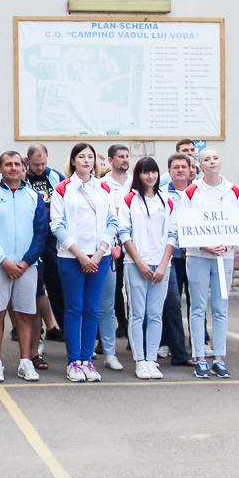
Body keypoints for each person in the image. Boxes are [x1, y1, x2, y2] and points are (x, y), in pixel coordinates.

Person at [0, 151, 47, 382]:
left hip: (27, 266)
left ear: (23, 167)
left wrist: (26, 262)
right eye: (8, 164)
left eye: (17, 164)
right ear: (0, 168)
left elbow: (40, 233)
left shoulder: (34, 196)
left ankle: (25, 362)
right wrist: (4, 261)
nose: (13, 168)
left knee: (25, 315)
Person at [50, 143, 118, 383]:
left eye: (90, 157)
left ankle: (87, 359)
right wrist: (79, 254)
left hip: (99, 257)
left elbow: (113, 221)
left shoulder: (104, 187)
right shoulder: (63, 188)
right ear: (73, 161)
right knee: (74, 308)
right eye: (81, 156)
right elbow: (56, 224)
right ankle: (73, 361)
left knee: (92, 309)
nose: (87, 160)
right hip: (71, 258)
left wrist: (100, 252)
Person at [182, 148, 239, 378]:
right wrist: (203, 245)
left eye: (215, 158)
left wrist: (227, 244)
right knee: (198, 307)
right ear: (200, 165)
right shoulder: (191, 192)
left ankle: (219, 357)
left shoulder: (233, 191)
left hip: (223, 257)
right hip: (198, 256)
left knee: (220, 307)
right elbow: (185, 225)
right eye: (206, 159)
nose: (211, 162)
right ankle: (199, 357)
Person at [120, 157, 178, 380]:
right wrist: (140, 263)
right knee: (137, 314)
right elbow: (124, 233)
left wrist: (163, 264)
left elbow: (172, 234)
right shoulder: (129, 200)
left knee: (155, 314)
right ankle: (140, 360)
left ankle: (152, 359)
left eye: (153, 171)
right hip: (136, 264)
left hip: (161, 265)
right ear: (138, 175)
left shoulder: (167, 200)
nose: (150, 176)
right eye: (145, 172)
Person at [24, 144, 65, 355]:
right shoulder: (22, 179)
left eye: (43, 163)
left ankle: (67, 334)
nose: (40, 168)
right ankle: (36, 337)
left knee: (59, 289)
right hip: (32, 241)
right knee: (35, 291)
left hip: (53, 242)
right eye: (35, 164)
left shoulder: (56, 176)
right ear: (27, 160)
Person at [159, 153, 194, 367]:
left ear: (190, 170)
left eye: (184, 167)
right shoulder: (162, 195)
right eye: (176, 167)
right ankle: (176, 349)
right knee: (171, 302)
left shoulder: (198, 193)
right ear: (169, 171)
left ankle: (197, 346)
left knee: (195, 302)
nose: (180, 170)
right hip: (171, 255)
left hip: (196, 255)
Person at [102, 144, 131, 338]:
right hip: (112, 243)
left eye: (127, 156)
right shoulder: (103, 184)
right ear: (111, 160)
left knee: (131, 285)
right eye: (120, 156)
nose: (125, 160)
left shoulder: (135, 181)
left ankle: (132, 326)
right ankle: (120, 321)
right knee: (114, 286)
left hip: (132, 243)